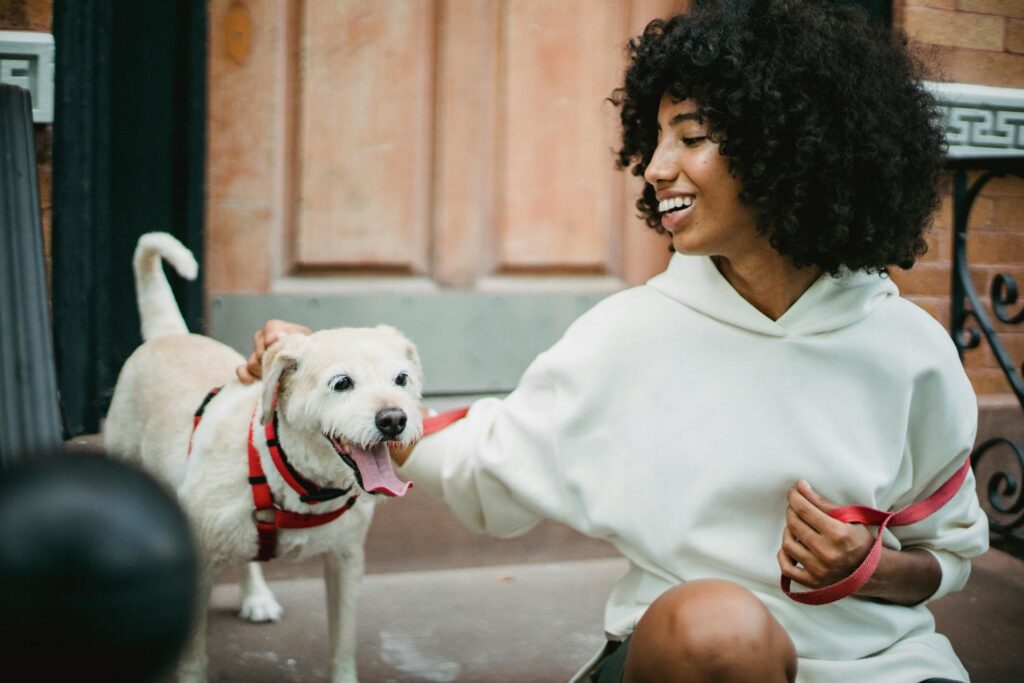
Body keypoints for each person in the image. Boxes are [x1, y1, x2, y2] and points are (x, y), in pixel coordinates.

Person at [237, 1, 988, 681]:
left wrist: (870, 567)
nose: (655, 168)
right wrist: (324, 371)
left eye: (690, 136)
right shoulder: (631, 333)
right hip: (689, 660)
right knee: (719, 630)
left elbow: (945, 556)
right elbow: (485, 460)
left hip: (881, 665)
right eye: (654, 138)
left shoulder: (910, 354)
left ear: (789, 145)